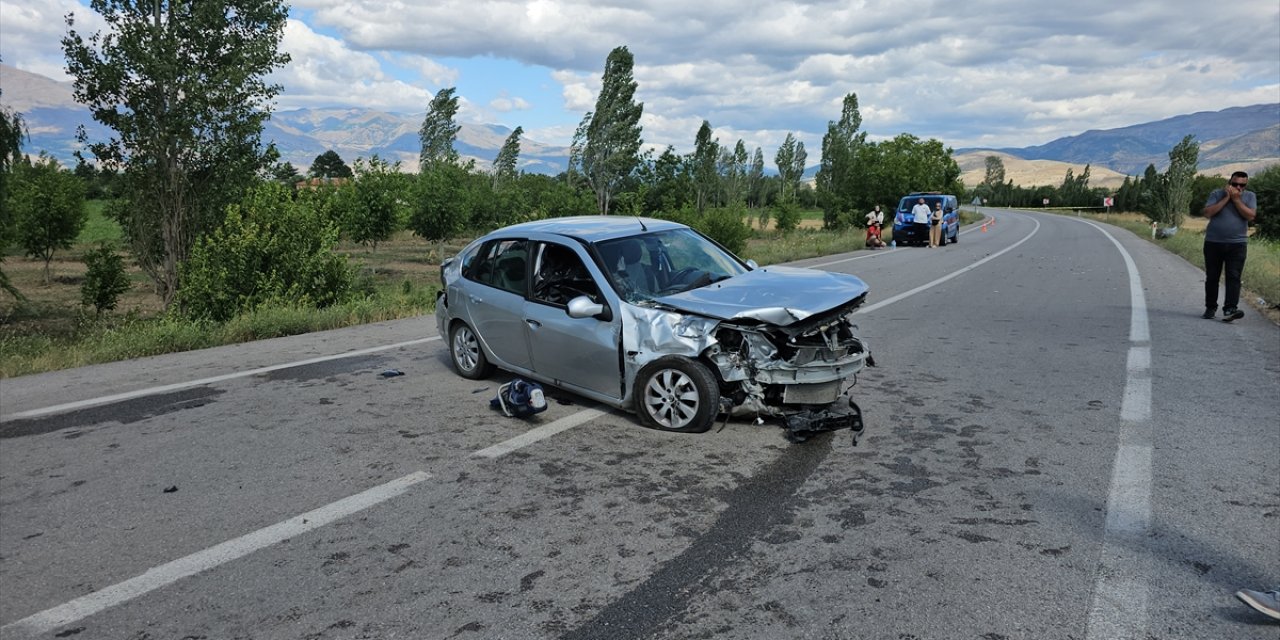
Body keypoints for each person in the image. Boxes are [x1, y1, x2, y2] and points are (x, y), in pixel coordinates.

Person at [1201, 171, 1256, 322]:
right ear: (1229, 182)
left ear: (1246, 185)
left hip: (1237, 244)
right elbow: (1207, 213)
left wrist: (1237, 200)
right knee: (1212, 276)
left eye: (1242, 185)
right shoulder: (1216, 194)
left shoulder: (1250, 196)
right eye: (1235, 184)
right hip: (1213, 242)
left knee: (1234, 277)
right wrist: (1226, 198)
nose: (1238, 187)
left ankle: (1230, 309)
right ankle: (1210, 307)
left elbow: (1250, 216)